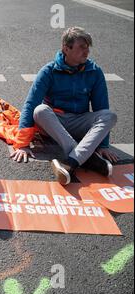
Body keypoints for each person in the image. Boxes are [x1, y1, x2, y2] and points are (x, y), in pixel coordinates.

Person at [10, 27, 118, 185]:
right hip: (55, 122)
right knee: (39, 110)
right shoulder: (48, 71)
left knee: (109, 116)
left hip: (79, 121)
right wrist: (22, 144)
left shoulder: (94, 71)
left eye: (88, 47)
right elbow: (31, 104)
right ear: (66, 49)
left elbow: (101, 106)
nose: (86, 52)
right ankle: (86, 157)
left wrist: (103, 144)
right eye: (82, 47)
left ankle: (72, 161)